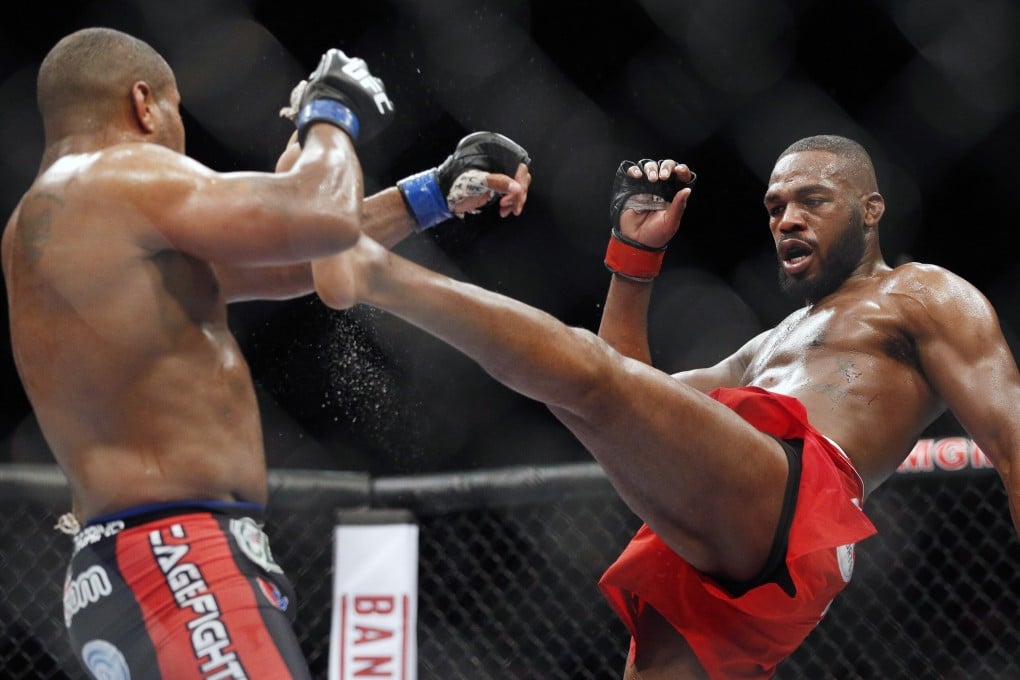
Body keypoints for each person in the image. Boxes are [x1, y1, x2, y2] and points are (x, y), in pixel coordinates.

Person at [310, 135, 1020, 679]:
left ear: (871, 210)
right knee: (591, 389)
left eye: (812, 201)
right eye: (775, 207)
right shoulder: (766, 347)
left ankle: (373, 271)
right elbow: (632, 395)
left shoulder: (925, 294)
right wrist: (633, 257)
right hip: (727, 537)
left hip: (801, 499)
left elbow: (1011, 436)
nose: (788, 220)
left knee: (584, 374)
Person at [2, 27, 529, 679]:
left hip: (136, 563)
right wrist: (332, 110)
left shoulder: (63, 219)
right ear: (143, 104)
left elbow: (287, 261)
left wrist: (432, 192)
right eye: (175, 114)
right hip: (178, 556)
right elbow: (319, 212)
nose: (179, 139)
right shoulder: (117, 174)